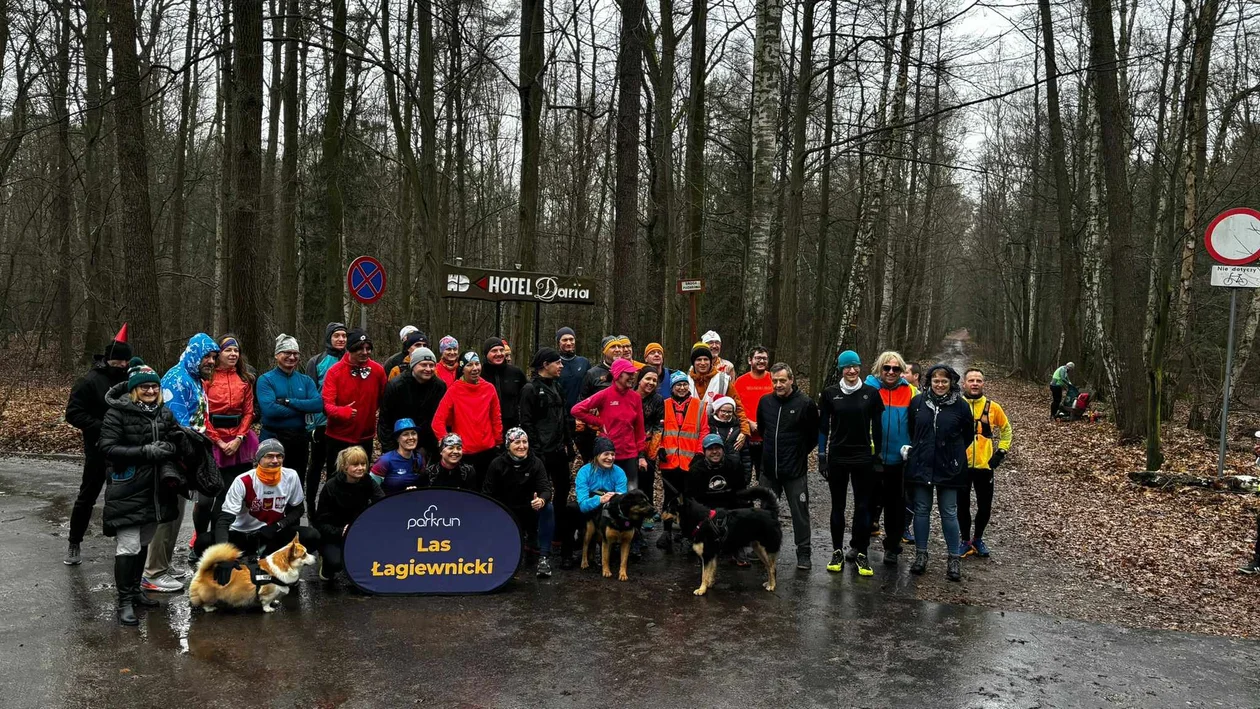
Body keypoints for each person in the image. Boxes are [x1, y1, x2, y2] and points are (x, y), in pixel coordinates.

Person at [99, 358, 185, 626]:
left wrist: (172, 447)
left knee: (145, 540)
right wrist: (145, 452)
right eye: (145, 387)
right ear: (134, 389)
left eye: (154, 387)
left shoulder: (164, 412)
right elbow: (107, 448)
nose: (150, 391)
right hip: (128, 488)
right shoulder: (117, 413)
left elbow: (175, 440)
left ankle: (136, 591)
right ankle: (123, 601)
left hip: (157, 491)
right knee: (128, 545)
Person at [149, 333, 219, 592]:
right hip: (175, 458)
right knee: (167, 513)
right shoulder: (177, 379)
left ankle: (164, 565)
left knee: (176, 514)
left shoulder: (195, 379)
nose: (211, 361)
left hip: (189, 457)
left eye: (213, 357)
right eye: (206, 356)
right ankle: (153, 572)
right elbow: (177, 426)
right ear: (193, 354)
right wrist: (190, 457)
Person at [63, 324, 131, 565]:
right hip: (97, 448)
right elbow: (72, 413)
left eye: (126, 361)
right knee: (87, 496)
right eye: (120, 361)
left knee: (121, 497)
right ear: (110, 359)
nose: (123, 365)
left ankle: (122, 543)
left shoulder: (131, 379)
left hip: (124, 450)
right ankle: (74, 542)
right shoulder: (89, 381)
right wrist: (102, 427)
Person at [817, 350, 884, 576]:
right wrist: (822, 458)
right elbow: (823, 427)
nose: (852, 371)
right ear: (841, 369)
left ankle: (862, 553)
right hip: (838, 456)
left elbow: (878, 428)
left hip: (863, 456)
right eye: (847, 367)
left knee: (863, 507)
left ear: (860, 367)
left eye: (855, 366)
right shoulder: (830, 394)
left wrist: (877, 458)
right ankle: (837, 551)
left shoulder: (871, 393)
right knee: (838, 506)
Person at [905, 364, 972, 581]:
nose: (940, 385)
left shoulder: (961, 407)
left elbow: (967, 435)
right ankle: (921, 555)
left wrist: (953, 455)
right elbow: (912, 430)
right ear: (929, 382)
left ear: (951, 382)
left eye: (944, 381)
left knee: (949, 512)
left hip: (949, 466)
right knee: (922, 510)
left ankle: (954, 558)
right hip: (922, 464)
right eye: (936, 381)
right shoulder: (918, 403)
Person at [201, 335, 260, 555]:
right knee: (212, 496)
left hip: (239, 442)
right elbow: (203, 413)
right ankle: (205, 539)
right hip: (213, 441)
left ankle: (232, 540)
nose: (233, 354)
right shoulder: (207, 379)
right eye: (228, 350)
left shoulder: (245, 379)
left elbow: (248, 412)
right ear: (219, 354)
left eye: (236, 350)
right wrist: (218, 440)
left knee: (236, 493)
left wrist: (239, 438)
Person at [214, 438, 321, 558]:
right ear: (259, 459)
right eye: (269, 456)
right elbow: (223, 520)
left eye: (279, 456)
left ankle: (274, 557)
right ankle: (250, 554)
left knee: (312, 536)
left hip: (272, 532)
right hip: (242, 533)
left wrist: (278, 525)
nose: (275, 460)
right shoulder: (243, 480)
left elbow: (299, 509)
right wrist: (222, 555)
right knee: (202, 543)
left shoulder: (291, 475)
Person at [758, 363, 819, 570]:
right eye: (774, 381)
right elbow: (763, 428)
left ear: (791, 380)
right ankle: (764, 548)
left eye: (782, 380)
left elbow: (813, 436)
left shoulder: (805, 404)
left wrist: (799, 455)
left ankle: (803, 552)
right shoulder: (765, 402)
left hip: (794, 471)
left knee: (799, 512)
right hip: (769, 470)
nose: (778, 385)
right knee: (766, 512)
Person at [257, 334, 325, 513]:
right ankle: (269, 525)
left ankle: (292, 524)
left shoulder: (305, 380)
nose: (292, 357)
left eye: (295, 353)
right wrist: (303, 408)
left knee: (295, 482)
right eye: (287, 352)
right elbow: (269, 410)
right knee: (270, 483)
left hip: (299, 439)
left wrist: (288, 402)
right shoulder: (266, 380)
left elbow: (318, 405)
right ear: (277, 355)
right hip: (273, 438)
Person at [863, 350, 917, 562]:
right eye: (887, 368)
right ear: (879, 369)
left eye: (896, 368)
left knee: (895, 507)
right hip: (871, 458)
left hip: (898, 460)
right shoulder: (868, 389)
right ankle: (859, 545)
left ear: (902, 371)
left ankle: (892, 547)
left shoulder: (912, 392)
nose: (891, 372)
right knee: (866, 504)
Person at [519, 347, 571, 557]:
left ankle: (557, 533)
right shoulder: (530, 389)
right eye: (557, 363)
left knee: (563, 489)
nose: (561, 366)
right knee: (539, 494)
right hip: (540, 453)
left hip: (559, 450)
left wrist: (569, 443)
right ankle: (534, 537)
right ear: (544, 365)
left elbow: (564, 416)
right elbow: (526, 421)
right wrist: (535, 450)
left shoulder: (558, 386)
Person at [483, 428, 556, 577]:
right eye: (517, 442)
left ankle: (544, 558)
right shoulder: (497, 464)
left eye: (524, 442)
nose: (522, 446)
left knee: (548, 508)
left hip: (530, 509)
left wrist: (541, 500)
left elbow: (546, 488)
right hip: (506, 512)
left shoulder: (536, 463)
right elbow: (487, 493)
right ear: (508, 445)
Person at [321, 329, 387, 489]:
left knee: (361, 480)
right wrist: (342, 412)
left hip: (365, 436)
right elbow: (326, 405)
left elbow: (383, 398)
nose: (365, 352)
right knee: (336, 481)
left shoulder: (377, 370)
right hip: (338, 437)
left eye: (368, 348)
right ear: (350, 349)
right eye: (360, 348)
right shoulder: (334, 372)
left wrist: (368, 412)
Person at [957, 368, 1012, 558]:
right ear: (963, 383)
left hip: (985, 466)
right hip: (961, 466)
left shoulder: (993, 407)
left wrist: (1001, 452)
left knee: (984, 505)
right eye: (971, 380)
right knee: (962, 505)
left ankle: (978, 539)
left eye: (978, 380)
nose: (974, 383)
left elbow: (1006, 430)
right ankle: (965, 541)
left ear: (983, 384)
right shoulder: (957, 404)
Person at [572, 358, 647, 488]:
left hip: (630, 455)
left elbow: (639, 428)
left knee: (630, 493)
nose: (632, 376)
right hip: (608, 454)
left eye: (633, 373)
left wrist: (641, 456)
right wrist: (599, 422)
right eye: (629, 373)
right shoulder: (605, 395)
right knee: (608, 494)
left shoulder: (635, 397)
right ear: (618, 375)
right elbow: (576, 410)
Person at [313, 446, 383, 582]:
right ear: (345, 467)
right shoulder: (330, 487)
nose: (360, 468)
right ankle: (325, 560)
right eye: (355, 465)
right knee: (335, 563)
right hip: (335, 533)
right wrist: (340, 531)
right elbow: (320, 522)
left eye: (363, 464)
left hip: (359, 531)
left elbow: (381, 500)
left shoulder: (367, 481)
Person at [656, 371, 708, 553]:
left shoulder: (700, 406)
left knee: (689, 501)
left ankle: (688, 534)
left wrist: (700, 454)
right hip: (669, 462)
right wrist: (659, 447)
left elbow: (704, 432)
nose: (682, 387)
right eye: (678, 385)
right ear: (672, 387)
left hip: (690, 462)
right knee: (669, 499)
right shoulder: (663, 405)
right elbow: (659, 430)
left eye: (685, 384)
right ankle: (667, 532)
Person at [432, 352, 503, 485]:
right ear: (462, 368)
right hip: (463, 453)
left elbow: (496, 417)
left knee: (487, 492)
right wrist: (448, 444)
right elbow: (438, 421)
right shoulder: (454, 389)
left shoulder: (489, 388)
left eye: (477, 364)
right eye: (470, 365)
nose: (475, 368)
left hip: (488, 450)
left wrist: (498, 441)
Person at [304, 322, 348, 525]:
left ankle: (332, 511)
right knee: (316, 465)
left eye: (344, 336)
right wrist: (311, 425)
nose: (341, 339)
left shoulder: (352, 359)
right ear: (329, 338)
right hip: (321, 423)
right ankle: (311, 509)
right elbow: (311, 394)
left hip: (344, 423)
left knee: (336, 468)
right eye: (337, 336)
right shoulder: (317, 361)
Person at [378, 346, 446, 460]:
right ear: (413, 365)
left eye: (431, 365)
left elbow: (441, 418)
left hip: (428, 445)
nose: (428, 369)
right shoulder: (396, 386)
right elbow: (385, 420)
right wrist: (390, 450)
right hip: (399, 443)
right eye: (423, 365)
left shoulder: (440, 387)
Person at [568, 437, 628, 566]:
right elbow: (583, 504)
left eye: (613, 454)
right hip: (589, 507)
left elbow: (623, 500)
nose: (610, 458)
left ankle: (622, 545)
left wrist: (614, 498)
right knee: (571, 508)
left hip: (609, 509)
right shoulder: (584, 471)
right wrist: (600, 499)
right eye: (606, 454)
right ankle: (568, 552)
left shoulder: (619, 472)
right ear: (596, 455)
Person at [688, 343, 749, 433]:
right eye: (699, 360)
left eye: (706, 359)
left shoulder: (722, 380)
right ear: (693, 362)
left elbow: (737, 406)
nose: (703, 363)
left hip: (717, 432)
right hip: (691, 431)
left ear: (711, 361)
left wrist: (744, 431)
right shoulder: (686, 381)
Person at [575, 335, 619, 460]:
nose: (617, 349)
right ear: (604, 351)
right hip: (597, 430)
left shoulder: (627, 372)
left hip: (620, 428)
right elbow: (582, 400)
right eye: (613, 347)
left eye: (619, 347)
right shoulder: (592, 373)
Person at [734, 346, 774, 480]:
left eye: (764, 358)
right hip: (745, 438)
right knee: (742, 478)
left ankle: (766, 501)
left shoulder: (774, 379)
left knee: (766, 478)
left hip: (768, 438)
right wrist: (748, 422)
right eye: (758, 358)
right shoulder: (740, 382)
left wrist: (763, 424)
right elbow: (735, 408)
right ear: (750, 360)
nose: (761, 361)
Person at [686, 433, 749, 511]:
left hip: (731, 512)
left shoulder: (734, 465)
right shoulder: (696, 470)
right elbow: (693, 500)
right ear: (704, 451)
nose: (715, 451)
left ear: (723, 449)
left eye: (717, 448)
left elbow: (741, 493)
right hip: (706, 513)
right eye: (710, 449)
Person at [481, 337, 528, 432]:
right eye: (494, 351)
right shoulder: (479, 374)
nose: (499, 354)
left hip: (512, 427)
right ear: (486, 354)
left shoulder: (516, 373)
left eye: (501, 350)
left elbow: (526, 398)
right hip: (486, 427)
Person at [637, 369, 665, 519]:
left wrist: (652, 453)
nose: (651, 383)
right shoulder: (630, 395)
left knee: (647, 481)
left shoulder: (658, 400)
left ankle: (647, 513)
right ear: (640, 379)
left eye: (654, 381)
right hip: (629, 444)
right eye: (648, 379)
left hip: (649, 445)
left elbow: (658, 426)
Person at [371, 418, 426, 494]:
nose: (411, 437)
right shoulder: (385, 461)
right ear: (397, 439)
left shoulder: (419, 458)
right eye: (405, 434)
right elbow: (370, 489)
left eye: (413, 433)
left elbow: (423, 485)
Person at [707, 396, 751, 485]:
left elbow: (746, 455)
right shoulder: (709, 428)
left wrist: (746, 476)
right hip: (713, 473)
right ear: (717, 411)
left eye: (729, 412)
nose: (726, 414)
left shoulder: (738, 429)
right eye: (723, 411)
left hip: (735, 472)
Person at [556, 327, 590, 411]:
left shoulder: (584, 362)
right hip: (559, 413)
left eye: (571, 339)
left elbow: (590, 387)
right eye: (565, 340)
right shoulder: (554, 363)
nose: (568, 343)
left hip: (580, 412)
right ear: (558, 342)